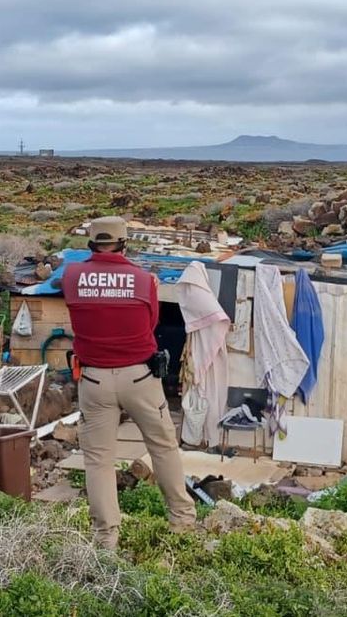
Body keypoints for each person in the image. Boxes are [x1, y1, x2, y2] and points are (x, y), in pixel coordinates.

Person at [61, 216, 196, 550]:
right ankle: (182, 522)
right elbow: (150, 323)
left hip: (92, 379)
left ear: (90, 243)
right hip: (140, 377)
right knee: (163, 446)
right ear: (124, 243)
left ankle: (106, 539)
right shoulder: (144, 279)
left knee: (98, 460)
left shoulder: (72, 276)